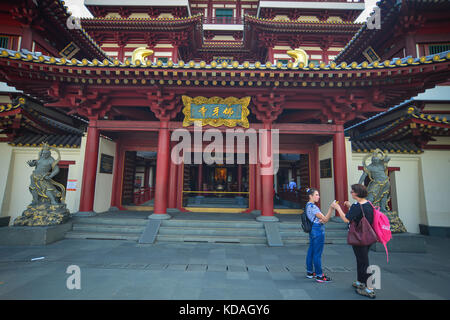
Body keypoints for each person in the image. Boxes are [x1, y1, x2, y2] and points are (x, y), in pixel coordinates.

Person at [332, 184, 376, 298]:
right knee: (361, 259)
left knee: (364, 262)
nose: (351, 192)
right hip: (368, 236)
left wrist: (338, 208)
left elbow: (346, 218)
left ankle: (370, 288)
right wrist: (350, 206)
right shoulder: (367, 204)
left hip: (359, 237)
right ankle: (360, 281)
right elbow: (361, 214)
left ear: (357, 193)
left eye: (352, 191)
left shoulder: (357, 206)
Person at [305, 188, 334, 283]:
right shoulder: (313, 207)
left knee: (311, 251)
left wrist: (322, 219)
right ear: (311, 196)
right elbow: (325, 219)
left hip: (313, 229)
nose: (318, 196)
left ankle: (310, 272)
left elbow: (322, 218)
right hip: (317, 230)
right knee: (317, 254)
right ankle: (319, 275)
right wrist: (331, 208)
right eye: (316, 194)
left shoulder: (308, 205)